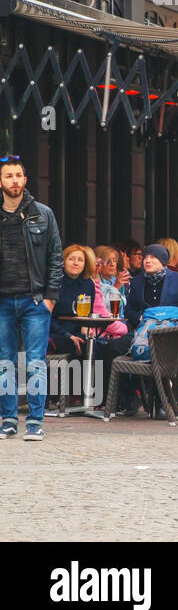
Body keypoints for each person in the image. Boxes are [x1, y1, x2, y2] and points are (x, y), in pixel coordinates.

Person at [0, 155, 63, 441]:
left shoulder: (43, 214)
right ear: (1, 181)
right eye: (8, 175)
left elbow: (55, 257)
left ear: (25, 180)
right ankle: (9, 418)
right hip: (2, 301)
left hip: (35, 300)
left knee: (36, 362)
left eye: (18, 175)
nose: (14, 180)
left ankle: (35, 420)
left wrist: (50, 297)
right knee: (5, 362)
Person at [105, 244, 178, 415]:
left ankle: (161, 402)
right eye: (145, 257)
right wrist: (138, 317)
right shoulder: (137, 281)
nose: (148, 260)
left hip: (170, 336)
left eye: (153, 257)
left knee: (158, 352)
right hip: (142, 334)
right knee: (111, 348)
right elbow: (129, 310)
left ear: (164, 261)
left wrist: (176, 320)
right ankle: (130, 398)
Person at [49, 245, 109, 360]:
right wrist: (68, 335)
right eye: (71, 259)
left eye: (80, 260)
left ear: (85, 264)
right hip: (55, 331)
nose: (76, 263)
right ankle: (75, 378)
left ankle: (94, 378)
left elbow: (88, 314)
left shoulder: (88, 284)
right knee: (79, 347)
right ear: (63, 261)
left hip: (77, 332)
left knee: (99, 348)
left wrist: (86, 326)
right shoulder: (55, 282)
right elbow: (46, 316)